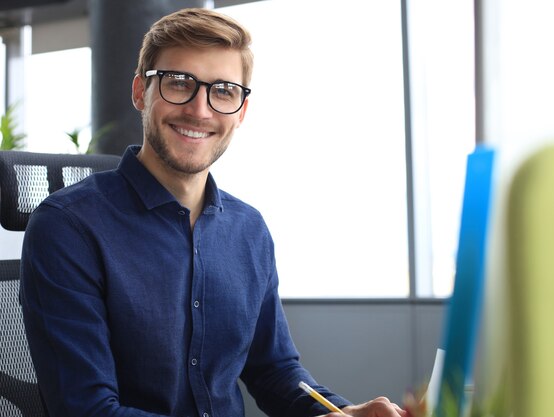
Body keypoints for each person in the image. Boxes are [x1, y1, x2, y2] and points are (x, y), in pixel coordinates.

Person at [20, 7, 407, 417]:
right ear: (140, 92)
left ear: (240, 111)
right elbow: (87, 410)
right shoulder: (69, 227)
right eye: (179, 83)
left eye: (223, 90)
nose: (200, 110)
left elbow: (275, 370)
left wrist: (343, 413)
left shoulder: (248, 230)